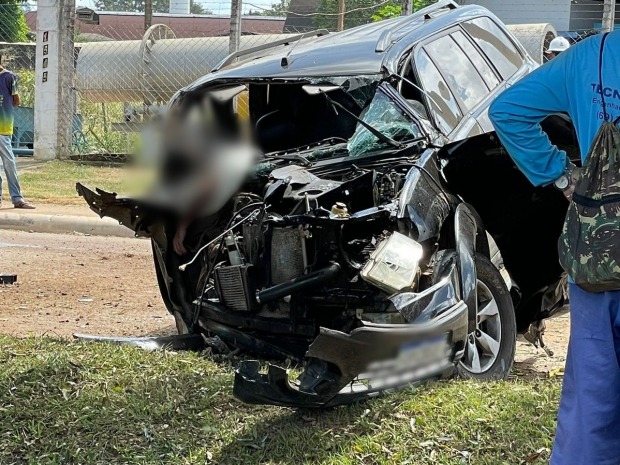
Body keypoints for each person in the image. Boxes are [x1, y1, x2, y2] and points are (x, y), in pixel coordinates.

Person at [489, 32, 620, 464]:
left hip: (601, 252)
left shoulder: (591, 55)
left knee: (592, 386)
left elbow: (506, 111)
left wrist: (562, 176)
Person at [0, 58, 35, 209]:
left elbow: (16, 100)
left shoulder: (8, 77)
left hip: (3, 127)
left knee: (9, 163)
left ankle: (17, 197)